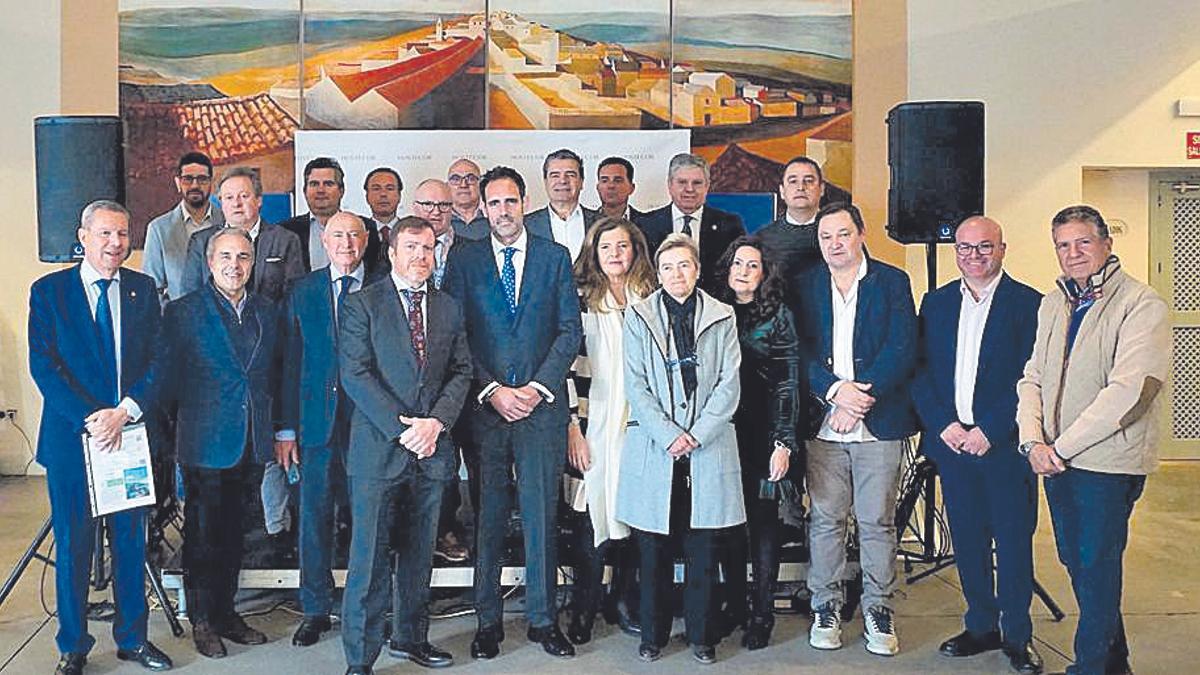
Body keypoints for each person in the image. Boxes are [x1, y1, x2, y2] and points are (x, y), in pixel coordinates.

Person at [1016, 205, 1169, 675]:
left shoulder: (1142, 305)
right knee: (1077, 561)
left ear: (1107, 244)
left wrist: (1059, 448)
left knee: (1096, 564)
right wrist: (1031, 441)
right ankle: (1113, 663)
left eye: (1083, 242)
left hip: (1106, 463)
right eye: (1063, 245)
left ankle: (1090, 666)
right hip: (1054, 458)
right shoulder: (1054, 301)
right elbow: (1033, 377)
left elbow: (1129, 394)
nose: (1073, 253)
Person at [442, 166, 582, 660]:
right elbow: (456, 336)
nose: (503, 211)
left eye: (511, 201)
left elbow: (569, 330)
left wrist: (539, 387)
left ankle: (544, 620)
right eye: (494, 203)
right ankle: (488, 622)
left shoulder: (555, 257)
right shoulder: (464, 259)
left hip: (541, 410)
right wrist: (494, 389)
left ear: (525, 202)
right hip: (486, 410)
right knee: (490, 517)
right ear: (483, 208)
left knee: (543, 515)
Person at [29, 200, 173, 675]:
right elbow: (44, 366)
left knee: (131, 544)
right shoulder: (49, 293)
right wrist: (94, 418)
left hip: (128, 437)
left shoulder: (142, 289)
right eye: (106, 234)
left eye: (123, 234)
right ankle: (74, 645)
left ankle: (133, 640)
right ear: (83, 236)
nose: (116, 244)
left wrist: (127, 411)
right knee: (74, 545)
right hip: (75, 440)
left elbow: (158, 359)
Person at [338, 216, 473, 675]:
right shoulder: (362, 304)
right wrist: (405, 430)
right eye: (411, 247)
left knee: (418, 558)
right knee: (369, 562)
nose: (421, 256)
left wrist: (435, 423)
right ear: (392, 252)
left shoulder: (450, 308)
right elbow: (356, 375)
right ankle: (360, 658)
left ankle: (411, 638)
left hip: (432, 452)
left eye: (428, 248)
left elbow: (461, 372)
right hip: (379, 454)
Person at [912, 216, 1044, 674]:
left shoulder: (1030, 304)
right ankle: (980, 625)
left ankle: (1017, 636)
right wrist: (943, 424)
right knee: (967, 540)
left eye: (984, 247)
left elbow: (1033, 377)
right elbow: (920, 370)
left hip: (1004, 446)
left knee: (1012, 541)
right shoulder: (937, 302)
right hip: (953, 444)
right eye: (965, 248)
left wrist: (991, 429)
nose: (974, 255)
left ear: (1002, 249)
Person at [615, 233, 745, 665]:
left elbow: (729, 384)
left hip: (708, 447)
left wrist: (698, 433)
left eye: (684, 266)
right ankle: (652, 635)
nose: (677, 275)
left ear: (698, 269)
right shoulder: (639, 316)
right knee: (653, 551)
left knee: (702, 549)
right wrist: (670, 434)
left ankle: (702, 636)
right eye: (668, 267)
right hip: (658, 447)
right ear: (658, 272)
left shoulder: (723, 316)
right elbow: (637, 384)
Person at [794, 202, 916, 657]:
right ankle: (826, 604)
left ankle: (877, 608)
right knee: (825, 518)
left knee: (877, 520)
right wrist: (834, 394)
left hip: (877, 422)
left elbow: (902, 347)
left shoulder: (892, 281)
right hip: (824, 424)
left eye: (843, 234)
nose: (834, 244)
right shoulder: (804, 285)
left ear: (861, 234)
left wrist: (859, 400)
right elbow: (800, 351)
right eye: (826, 237)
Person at [163, 227, 283, 659]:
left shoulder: (268, 311)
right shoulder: (183, 313)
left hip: (251, 441)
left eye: (244, 257)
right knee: (202, 535)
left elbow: (274, 375)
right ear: (210, 262)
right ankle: (202, 619)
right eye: (226, 257)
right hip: (205, 442)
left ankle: (227, 611)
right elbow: (168, 381)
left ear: (252, 263)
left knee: (237, 534)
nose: (235, 265)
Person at [276, 212, 374, 648]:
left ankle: (367, 607)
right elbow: (289, 362)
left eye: (355, 235)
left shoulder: (384, 287)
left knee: (369, 522)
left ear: (367, 240)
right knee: (313, 519)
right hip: (315, 427)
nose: (347, 243)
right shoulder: (303, 290)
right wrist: (284, 429)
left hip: (370, 428)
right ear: (325, 241)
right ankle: (315, 609)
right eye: (338, 235)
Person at [563, 216, 658, 644]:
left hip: (642, 429)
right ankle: (584, 606)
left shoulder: (653, 299)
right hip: (592, 425)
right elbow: (563, 367)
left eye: (622, 246)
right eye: (606, 248)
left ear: (635, 250)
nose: (615, 254)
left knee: (636, 518)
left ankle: (622, 600)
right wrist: (572, 427)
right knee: (591, 516)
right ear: (594, 254)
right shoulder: (578, 299)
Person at [713, 235, 801, 651]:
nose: (743, 272)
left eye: (752, 265)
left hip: (764, 433)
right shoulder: (712, 310)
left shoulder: (778, 315)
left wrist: (784, 441)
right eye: (737, 264)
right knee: (727, 525)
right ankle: (731, 606)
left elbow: (788, 381)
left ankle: (762, 613)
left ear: (764, 273)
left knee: (764, 527)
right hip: (720, 433)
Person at [179, 167, 306, 302]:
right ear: (221, 203)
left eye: (244, 196)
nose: (236, 203)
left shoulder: (285, 240)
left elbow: (295, 297)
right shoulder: (201, 242)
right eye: (229, 197)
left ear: (259, 200)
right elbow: (189, 297)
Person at [639, 153, 745, 294]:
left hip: (714, 308)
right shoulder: (645, 225)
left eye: (697, 183)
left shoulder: (730, 225)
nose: (689, 189)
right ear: (670, 185)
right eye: (682, 182)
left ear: (707, 186)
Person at [281, 157, 386, 274]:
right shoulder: (286, 230)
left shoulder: (365, 226)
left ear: (341, 191)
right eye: (314, 184)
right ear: (305, 191)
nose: (320, 190)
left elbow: (375, 271)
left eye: (328, 184)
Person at [143, 151, 224, 302]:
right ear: (178, 183)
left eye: (202, 179)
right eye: (188, 179)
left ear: (212, 183)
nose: (195, 185)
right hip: (178, 321)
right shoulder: (159, 229)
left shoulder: (227, 222)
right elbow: (153, 289)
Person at [525, 148, 601, 261]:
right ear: (545, 182)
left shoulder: (600, 222)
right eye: (555, 175)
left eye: (570, 174)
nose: (562, 181)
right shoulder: (526, 225)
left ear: (581, 182)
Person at [758, 156, 825, 281]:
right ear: (782, 191)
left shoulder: (840, 235)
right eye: (793, 181)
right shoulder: (764, 239)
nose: (801, 187)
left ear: (822, 189)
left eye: (809, 181)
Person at [447, 158, 489, 240]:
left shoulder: (493, 215)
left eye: (471, 179)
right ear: (447, 185)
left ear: (480, 184)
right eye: (456, 179)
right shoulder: (440, 219)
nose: (463, 185)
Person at [363, 166, 404, 246]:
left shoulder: (409, 231)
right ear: (367, 196)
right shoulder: (360, 232)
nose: (383, 194)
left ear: (399, 196)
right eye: (376, 189)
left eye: (389, 189)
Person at [595, 156, 645, 222]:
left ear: (631, 188)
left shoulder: (648, 223)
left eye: (618, 180)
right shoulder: (584, 222)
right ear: (598, 188)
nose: (611, 186)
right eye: (605, 181)